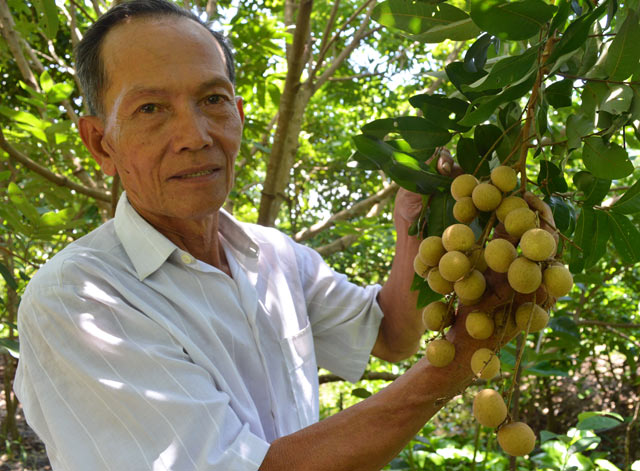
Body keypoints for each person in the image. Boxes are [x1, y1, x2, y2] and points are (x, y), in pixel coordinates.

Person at [13, 1, 552, 469]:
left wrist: (415, 225)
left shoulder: (273, 256)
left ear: (240, 116)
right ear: (100, 143)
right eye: (151, 109)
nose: (194, 136)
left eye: (213, 100)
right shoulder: (78, 301)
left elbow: (392, 335)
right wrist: (463, 357)